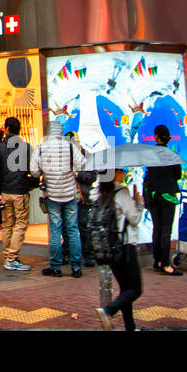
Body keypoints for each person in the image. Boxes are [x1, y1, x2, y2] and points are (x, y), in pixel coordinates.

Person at [32, 118, 85, 277]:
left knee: (56, 231)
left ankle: (55, 267)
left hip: (52, 195)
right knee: (73, 230)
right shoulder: (70, 146)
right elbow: (82, 164)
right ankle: (76, 267)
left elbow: (34, 171)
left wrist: (44, 171)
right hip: (69, 194)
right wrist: (72, 170)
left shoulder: (41, 148)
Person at [96, 169, 144, 332]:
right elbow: (135, 219)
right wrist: (138, 202)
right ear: (115, 173)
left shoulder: (100, 193)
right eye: (122, 171)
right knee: (135, 289)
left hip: (109, 247)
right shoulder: (122, 192)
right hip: (125, 246)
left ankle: (130, 327)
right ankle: (108, 311)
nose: (124, 174)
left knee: (125, 288)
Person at [0, 116, 32, 272]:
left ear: (6, 128)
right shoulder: (26, 147)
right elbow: (31, 170)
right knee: (20, 224)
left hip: (5, 192)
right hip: (20, 191)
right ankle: (12, 258)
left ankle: (8, 256)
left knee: (7, 225)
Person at [143, 125, 183, 276]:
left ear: (156, 137)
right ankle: (166, 264)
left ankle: (157, 260)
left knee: (157, 228)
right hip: (167, 195)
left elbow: (148, 171)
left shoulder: (150, 154)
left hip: (153, 195)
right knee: (166, 229)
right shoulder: (171, 154)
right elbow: (178, 175)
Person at [66, 131, 97, 269]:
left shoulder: (88, 157)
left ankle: (88, 254)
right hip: (66, 196)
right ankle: (66, 253)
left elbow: (92, 176)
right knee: (66, 228)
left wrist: (77, 174)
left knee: (84, 226)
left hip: (83, 197)